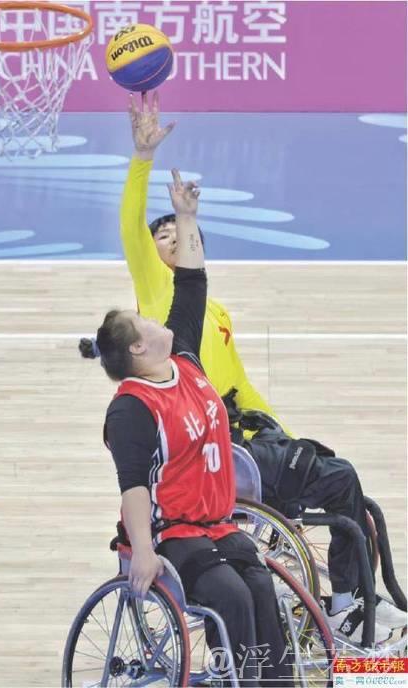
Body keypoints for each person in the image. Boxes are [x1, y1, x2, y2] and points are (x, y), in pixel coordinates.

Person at [116, 90, 405, 642]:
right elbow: (132, 226)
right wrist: (142, 158)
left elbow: (241, 387)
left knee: (348, 494)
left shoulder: (213, 310)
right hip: (214, 451)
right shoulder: (157, 296)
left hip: (244, 434)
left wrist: (288, 438)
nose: (170, 239)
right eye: (162, 237)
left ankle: (360, 600)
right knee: (342, 480)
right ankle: (344, 608)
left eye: (180, 233)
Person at [81, 169, 294, 687]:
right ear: (138, 348)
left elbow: (192, 282)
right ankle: (239, 680)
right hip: (171, 534)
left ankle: (275, 682)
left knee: (262, 590)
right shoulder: (131, 408)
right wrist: (143, 551)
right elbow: (133, 486)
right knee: (233, 596)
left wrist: (186, 216)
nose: (157, 319)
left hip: (219, 524)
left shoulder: (186, 361)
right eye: (146, 323)